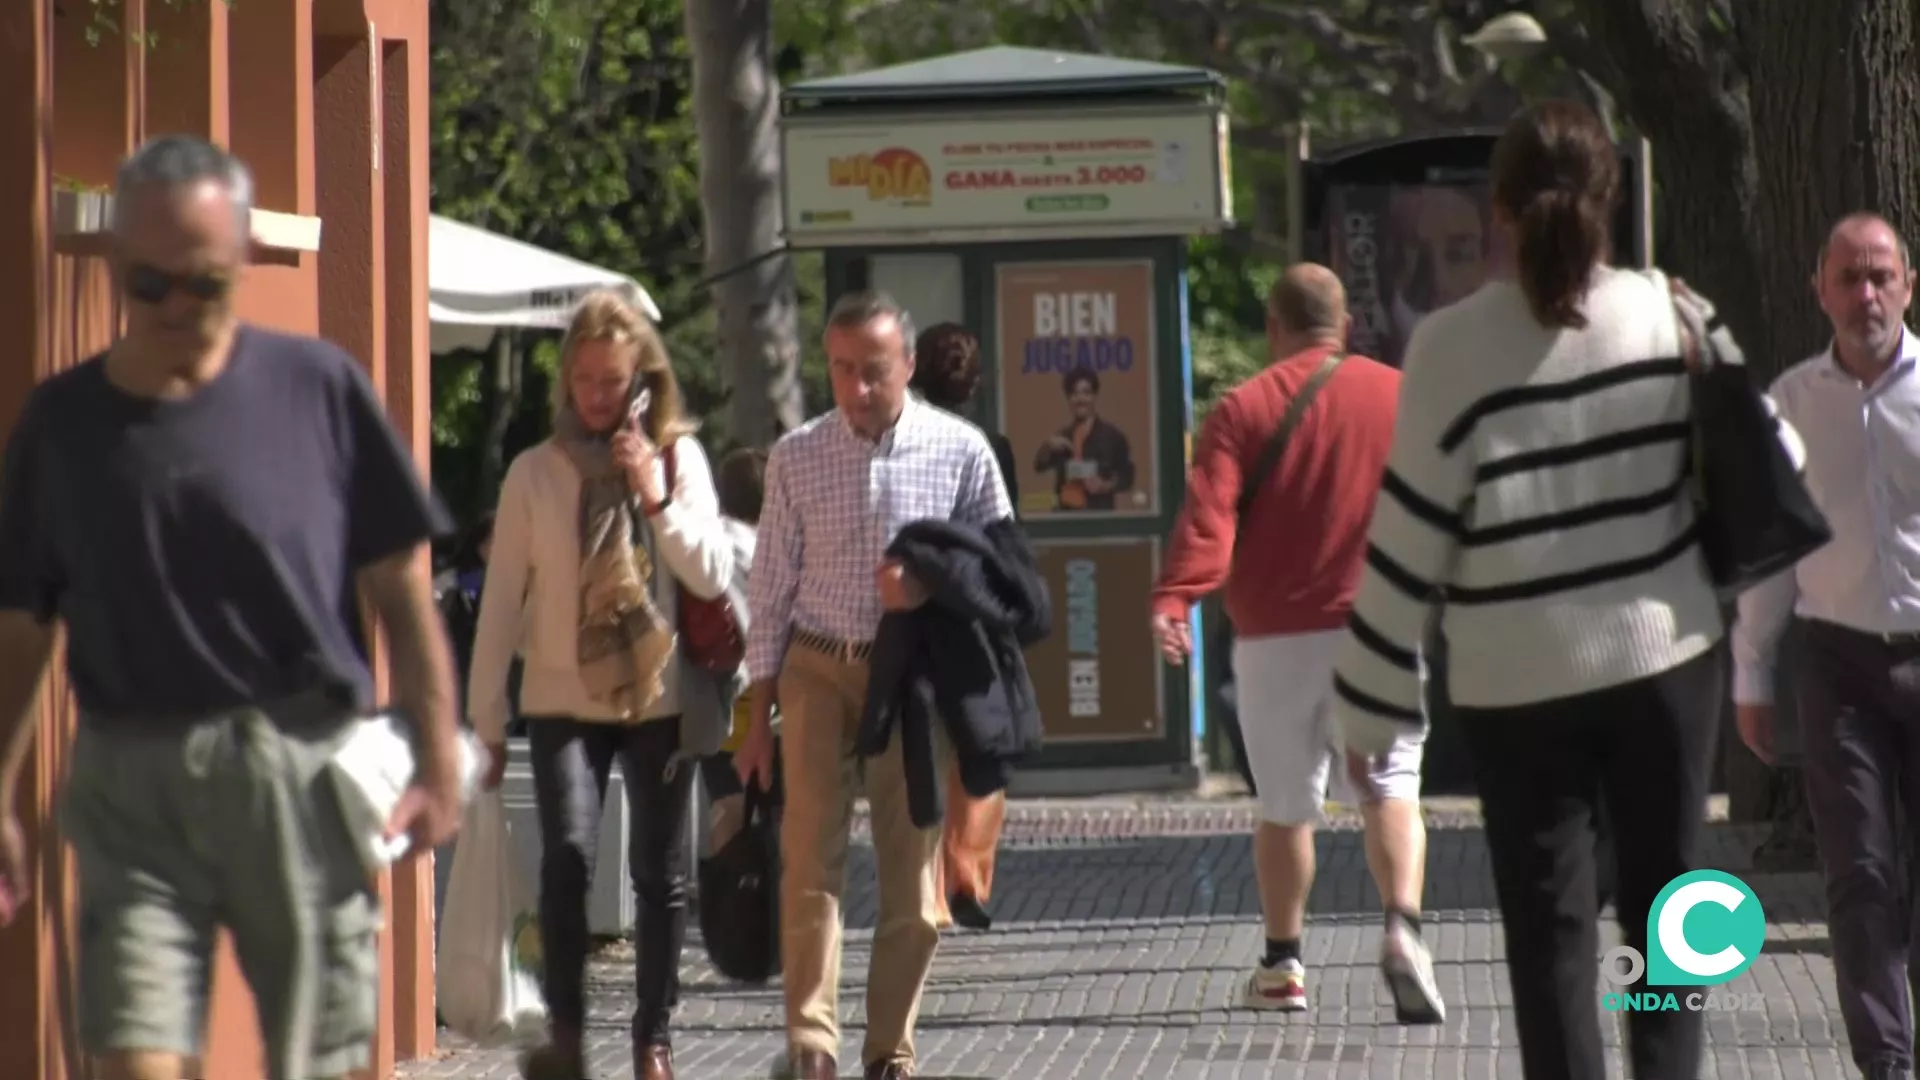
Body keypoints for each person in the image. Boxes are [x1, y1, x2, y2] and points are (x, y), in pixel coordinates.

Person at [0, 135, 463, 1080]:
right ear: (117, 268)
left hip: (297, 767)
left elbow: (399, 584)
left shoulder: (319, 389)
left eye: (204, 286)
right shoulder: (63, 424)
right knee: (136, 1058)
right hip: (130, 781)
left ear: (242, 261)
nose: (177, 309)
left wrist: (439, 755)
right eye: (150, 286)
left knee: (321, 1060)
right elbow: (22, 623)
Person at [1332, 101, 1728, 1080]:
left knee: (1551, 944)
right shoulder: (1672, 312)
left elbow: (1409, 534)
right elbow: (1774, 456)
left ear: (1498, 212)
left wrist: (1370, 692)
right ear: (1613, 197)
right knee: (1666, 923)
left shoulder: (1449, 348)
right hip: (1663, 660)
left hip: (1513, 681)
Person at [733, 290, 1015, 1080]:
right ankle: (812, 1043)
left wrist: (932, 588)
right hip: (817, 668)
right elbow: (770, 590)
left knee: (913, 879)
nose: (857, 388)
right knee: (809, 861)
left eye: (875, 371)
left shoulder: (962, 452)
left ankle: (890, 1049)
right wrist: (757, 715)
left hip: (915, 679)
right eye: (842, 370)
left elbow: (1007, 578)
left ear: (910, 365)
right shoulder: (796, 455)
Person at [1148, 265, 1442, 1021]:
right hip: (1379, 628)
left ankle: (1283, 965)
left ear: (1274, 329)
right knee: (1390, 788)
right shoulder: (1400, 394)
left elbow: (1210, 515)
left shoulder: (1242, 408)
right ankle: (1403, 928)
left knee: (1285, 808)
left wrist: (1177, 597)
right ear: (1345, 328)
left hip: (1274, 641)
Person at [465, 288, 736, 1080]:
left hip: (659, 699)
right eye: (583, 380)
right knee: (568, 858)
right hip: (561, 699)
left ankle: (653, 1035)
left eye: (612, 381)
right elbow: (501, 603)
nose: (596, 396)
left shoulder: (680, 457)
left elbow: (712, 572)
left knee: (659, 872)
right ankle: (569, 1035)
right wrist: (484, 720)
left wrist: (653, 492)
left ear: (644, 379)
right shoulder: (534, 474)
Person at [1733, 211, 1920, 1080]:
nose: (1866, 294)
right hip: (1835, 660)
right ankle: (1884, 1060)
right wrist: (1752, 673)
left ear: (1909, 284)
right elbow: (1774, 550)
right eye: (1849, 277)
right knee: (1859, 870)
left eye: (1880, 275)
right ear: (1820, 291)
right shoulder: (1792, 403)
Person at [908, 321, 1016, 932]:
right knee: (982, 746)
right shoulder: (991, 447)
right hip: (978, 620)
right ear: (975, 382)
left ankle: (931, 888)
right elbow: (1007, 538)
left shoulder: (904, 441)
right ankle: (967, 874)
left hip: (920, 616)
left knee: (925, 750)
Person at [701, 445, 767, 855]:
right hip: (764, 695)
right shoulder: (771, 550)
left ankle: (726, 897)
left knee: (725, 802)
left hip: (714, 689)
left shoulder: (706, 543)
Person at [1033, 367, 1133, 511]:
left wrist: (1105, 486)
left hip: (1098, 517)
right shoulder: (1062, 437)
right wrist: (1047, 446)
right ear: (1069, 399)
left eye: (1086, 393)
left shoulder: (1112, 436)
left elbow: (1127, 477)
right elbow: (1039, 466)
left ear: (1094, 396)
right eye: (1074, 394)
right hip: (1064, 517)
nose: (1080, 399)